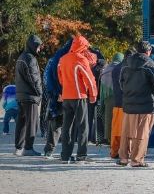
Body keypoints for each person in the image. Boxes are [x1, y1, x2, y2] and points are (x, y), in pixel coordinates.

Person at [118, 41, 154, 167]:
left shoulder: (126, 62)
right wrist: (153, 96)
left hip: (128, 103)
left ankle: (123, 158)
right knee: (142, 132)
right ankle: (137, 160)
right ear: (148, 51)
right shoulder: (150, 63)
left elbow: (121, 82)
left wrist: (127, 93)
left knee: (126, 131)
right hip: (145, 104)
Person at [57, 35, 98, 163]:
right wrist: (93, 95)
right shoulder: (80, 59)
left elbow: (61, 78)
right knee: (83, 126)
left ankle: (65, 155)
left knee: (67, 127)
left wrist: (65, 90)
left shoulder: (62, 59)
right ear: (82, 46)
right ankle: (81, 155)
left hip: (66, 96)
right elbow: (90, 80)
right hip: (79, 96)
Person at [42, 39, 73, 158]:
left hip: (56, 95)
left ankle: (49, 150)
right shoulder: (68, 60)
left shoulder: (53, 59)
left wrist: (54, 93)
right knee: (63, 124)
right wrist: (60, 93)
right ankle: (63, 153)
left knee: (56, 124)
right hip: (65, 95)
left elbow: (46, 79)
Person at [14, 35, 44, 156]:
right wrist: (40, 93)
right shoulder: (30, 59)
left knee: (21, 122)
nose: (39, 50)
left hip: (21, 94)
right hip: (30, 96)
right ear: (33, 46)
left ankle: (18, 147)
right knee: (32, 122)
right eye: (38, 47)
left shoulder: (21, 57)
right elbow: (34, 78)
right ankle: (28, 148)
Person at [110, 48, 134, 159]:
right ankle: (127, 152)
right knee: (127, 130)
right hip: (128, 103)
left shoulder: (115, 68)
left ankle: (114, 151)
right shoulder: (130, 68)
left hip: (117, 102)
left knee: (116, 130)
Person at [99, 53, 124, 144]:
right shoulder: (121, 69)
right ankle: (118, 139)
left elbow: (102, 89)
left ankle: (109, 138)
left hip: (107, 97)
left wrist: (102, 101)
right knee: (119, 119)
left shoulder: (105, 70)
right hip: (119, 97)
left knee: (108, 118)